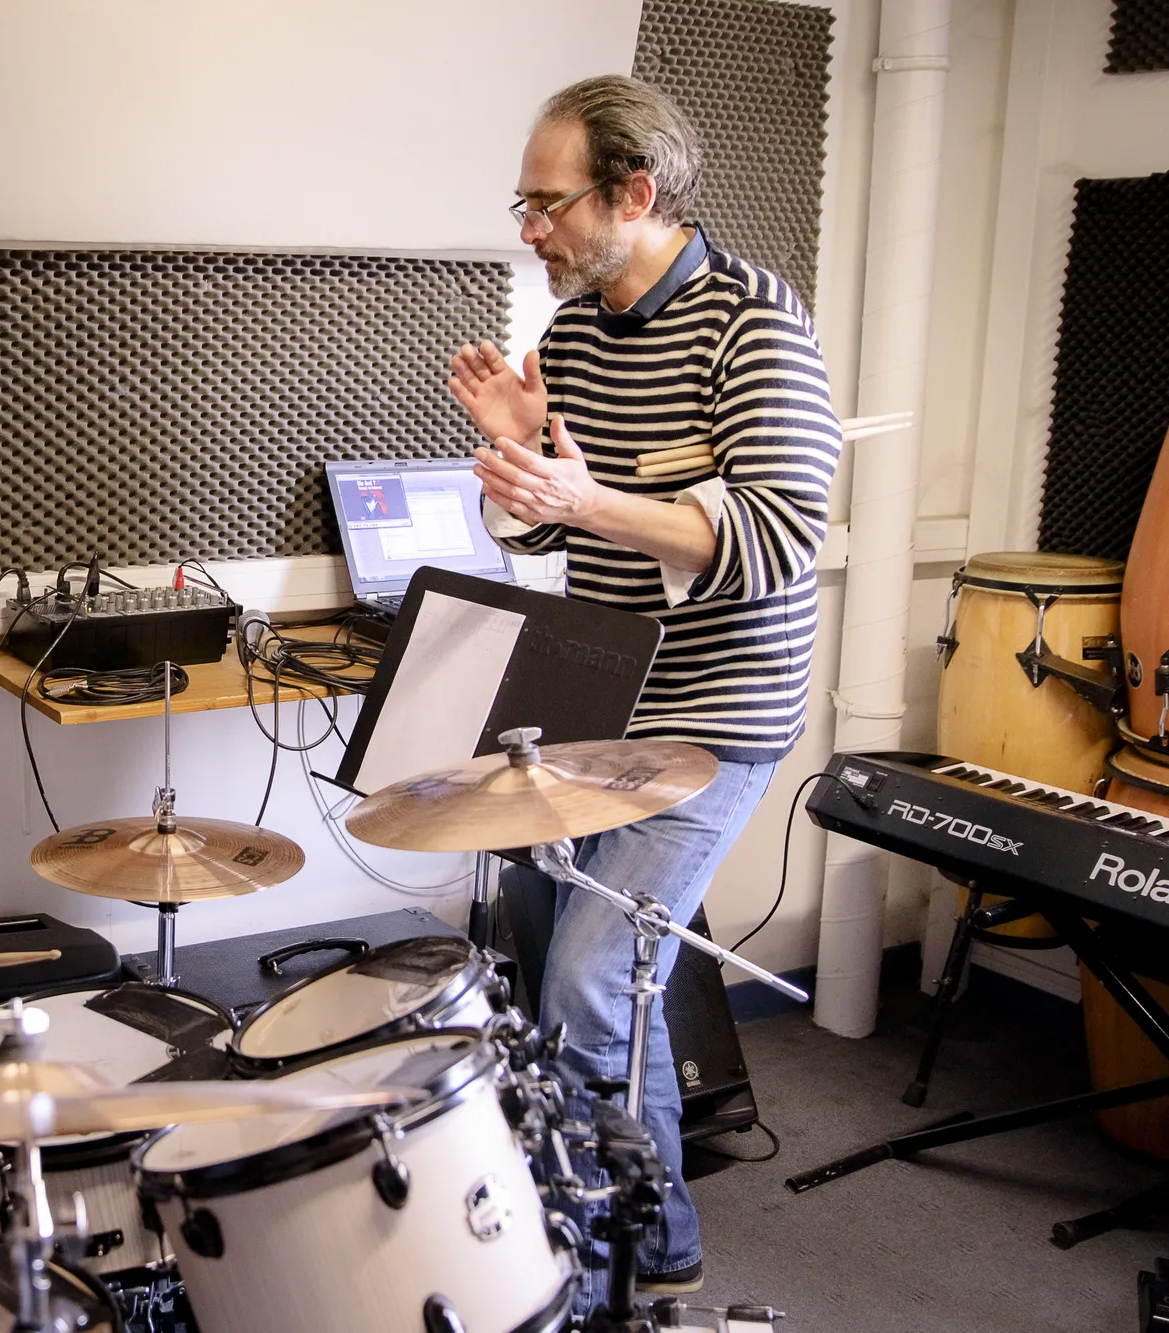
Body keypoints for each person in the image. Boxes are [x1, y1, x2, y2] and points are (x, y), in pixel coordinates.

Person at [447, 76, 840, 1299]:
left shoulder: (752, 323)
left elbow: (778, 535)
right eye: (520, 203)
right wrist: (519, 476)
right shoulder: (567, 337)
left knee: (584, 979)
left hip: (717, 711)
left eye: (545, 203)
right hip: (599, 697)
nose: (527, 230)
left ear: (634, 191)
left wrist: (580, 498)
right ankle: (628, 1211)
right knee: (575, 968)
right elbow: (556, 540)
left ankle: (643, 1255)